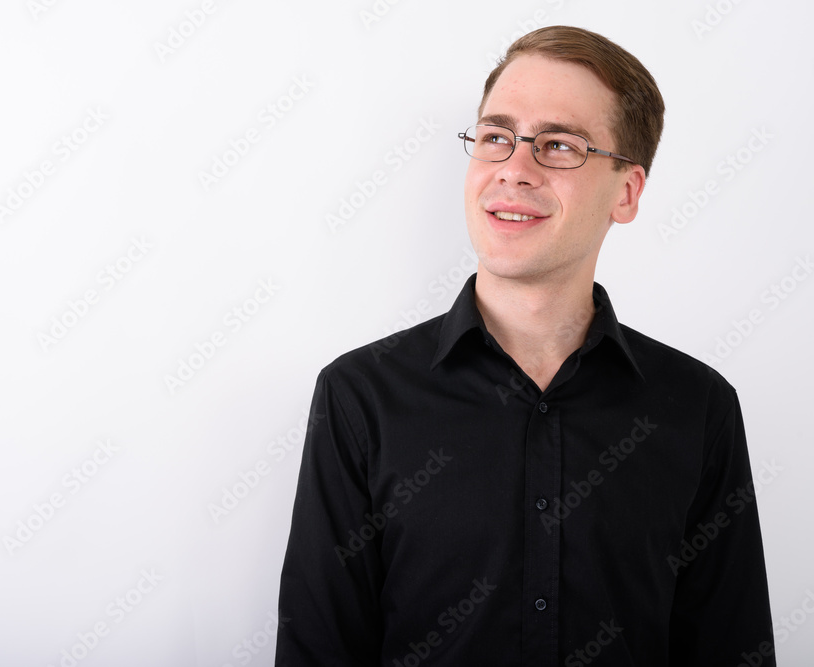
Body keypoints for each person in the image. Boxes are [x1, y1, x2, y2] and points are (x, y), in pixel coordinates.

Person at [274, 25, 776, 666]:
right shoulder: (360, 395)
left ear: (626, 192)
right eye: (496, 137)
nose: (514, 169)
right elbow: (319, 650)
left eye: (559, 145)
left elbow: (732, 650)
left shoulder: (697, 406)